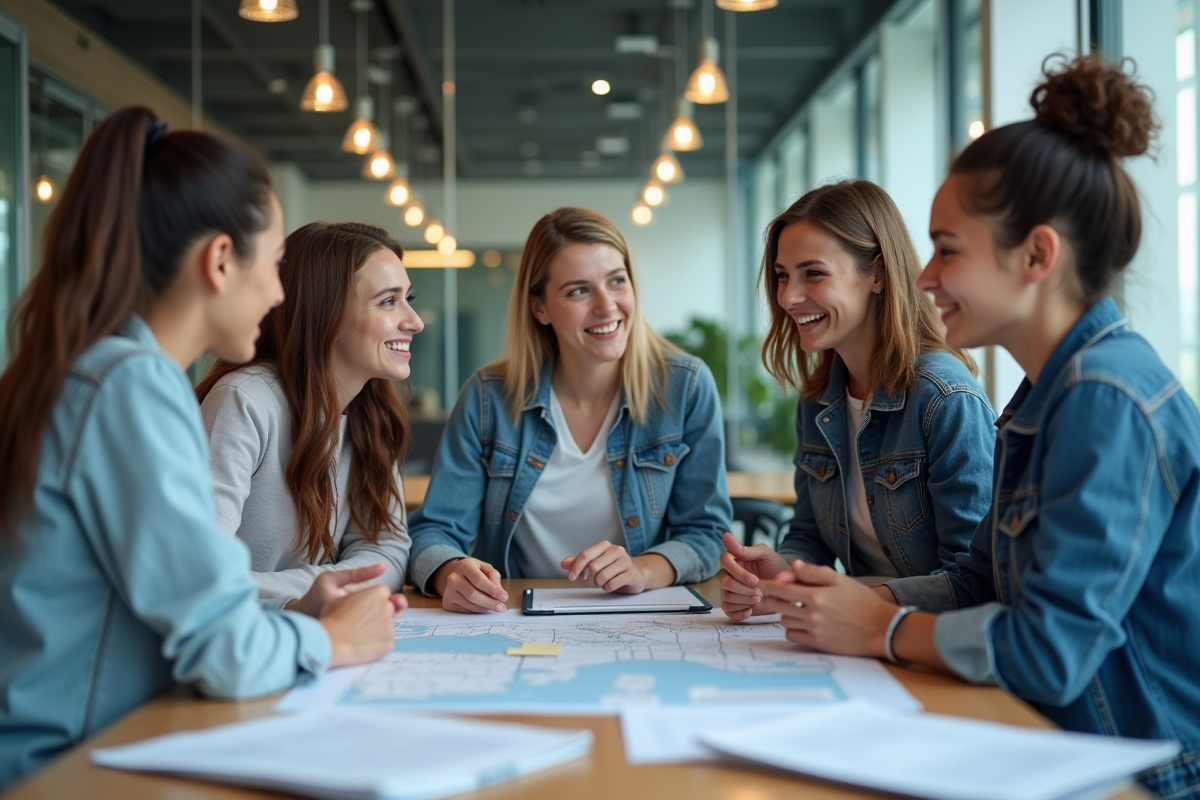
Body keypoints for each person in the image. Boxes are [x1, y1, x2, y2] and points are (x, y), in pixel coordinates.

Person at [759, 55, 1200, 799]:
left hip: (1135, 772)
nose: (924, 276)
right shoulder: (1042, 398)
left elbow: (1050, 651)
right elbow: (977, 582)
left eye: (948, 249)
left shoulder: (1106, 397)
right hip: (1047, 741)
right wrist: (856, 601)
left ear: (1036, 256)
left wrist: (878, 628)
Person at [0, 107, 404, 788]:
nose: (280, 293)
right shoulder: (133, 387)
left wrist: (296, 613)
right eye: (275, 264)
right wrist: (331, 640)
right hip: (69, 764)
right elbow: (222, 648)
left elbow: (180, 603)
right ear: (220, 261)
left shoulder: (92, 369)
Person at [407, 207, 731, 613]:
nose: (606, 305)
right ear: (540, 307)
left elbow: (706, 532)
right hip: (513, 616)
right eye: (578, 290)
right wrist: (451, 572)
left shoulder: (685, 387)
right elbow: (433, 531)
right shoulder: (488, 397)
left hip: (639, 614)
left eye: (617, 281)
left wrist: (644, 569)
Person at [719, 180, 995, 621]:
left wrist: (859, 600)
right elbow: (810, 536)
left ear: (879, 276)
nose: (788, 297)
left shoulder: (945, 399)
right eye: (782, 276)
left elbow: (975, 581)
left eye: (814, 273)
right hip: (859, 639)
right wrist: (779, 573)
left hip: (926, 646)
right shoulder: (819, 399)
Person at [197, 222, 421, 607]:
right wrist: (314, 594)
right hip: (228, 646)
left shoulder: (371, 410)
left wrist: (320, 591)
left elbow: (388, 551)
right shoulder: (244, 401)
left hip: (301, 632)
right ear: (326, 314)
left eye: (408, 299)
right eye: (388, 301)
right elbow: (200, 574)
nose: (414, 321)